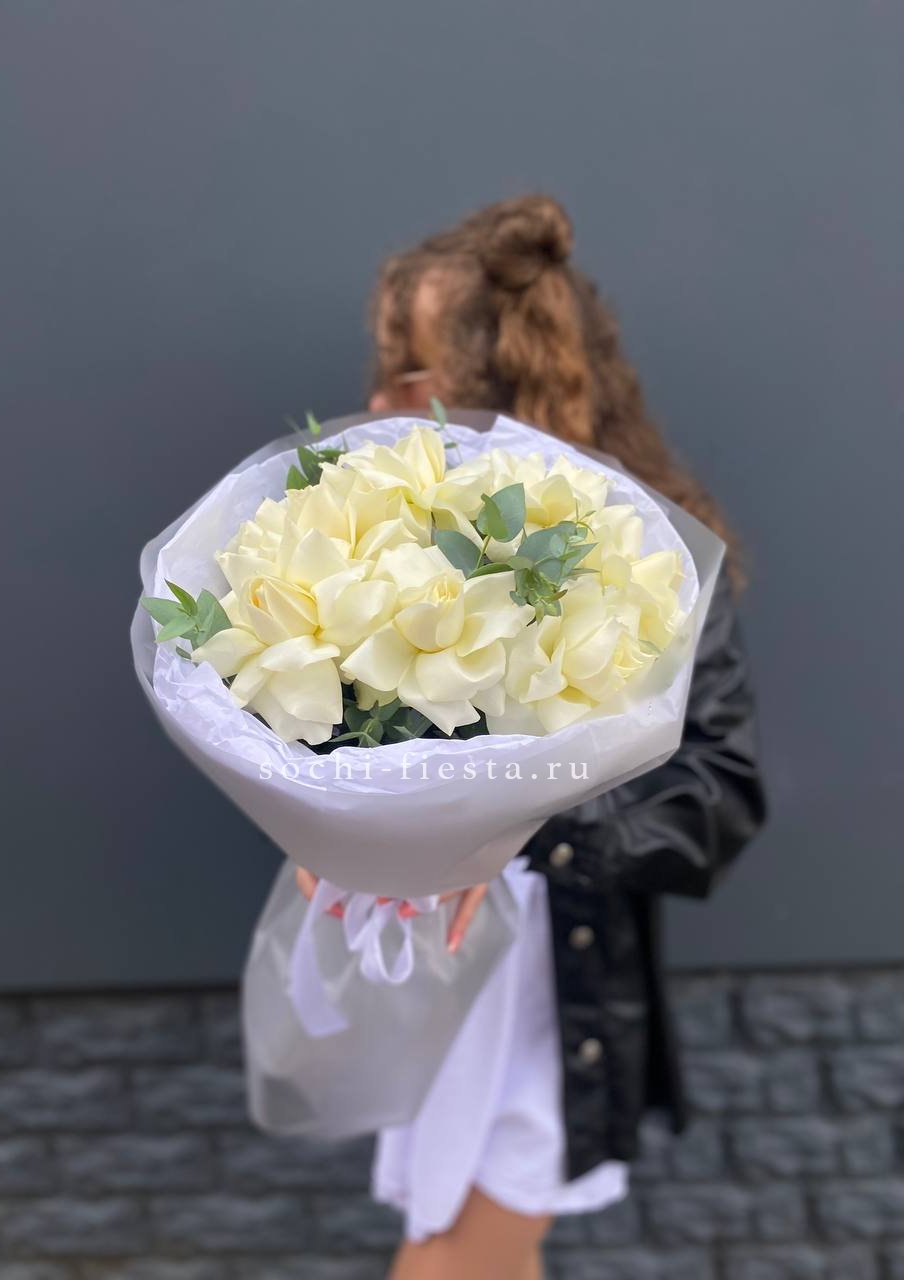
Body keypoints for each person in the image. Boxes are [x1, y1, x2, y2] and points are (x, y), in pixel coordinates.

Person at [301, 195, 766, 1280]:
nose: (380, 403)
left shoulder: (647, 563)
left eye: (411, 377)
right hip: (429, 983)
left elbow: (720, 792)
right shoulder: (382, 547)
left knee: (445, 1263)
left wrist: (525, 825)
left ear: (500, 384)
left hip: (545, 992)